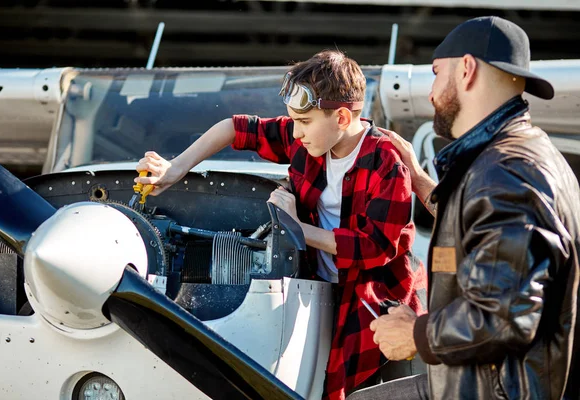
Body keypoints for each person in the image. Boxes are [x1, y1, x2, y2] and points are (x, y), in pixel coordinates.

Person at [135, 50, 427, 400]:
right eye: (294, 121)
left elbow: (375, 248)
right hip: (320, 287)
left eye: (304, 122)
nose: (296, 132)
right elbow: (235, 127)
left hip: (377, 304)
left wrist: (296, 227)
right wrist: (177, 167)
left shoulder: (386, 163)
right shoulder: (306, 137)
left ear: (343, 117)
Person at [353, 16, 580, 400]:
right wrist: (420, 175)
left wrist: (415, 333)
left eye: (436, 73)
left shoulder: (505, 174)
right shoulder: (520, 156)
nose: (430, 92)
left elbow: (504, 315)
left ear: (467, 69)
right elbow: (480, 231)